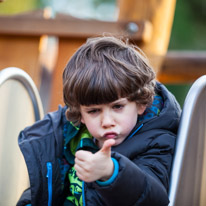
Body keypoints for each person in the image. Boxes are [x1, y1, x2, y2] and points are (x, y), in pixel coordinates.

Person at [17, 36, 181, 206]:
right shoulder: (66, 136)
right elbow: (41, 188)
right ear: (79, 113)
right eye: (94, 111)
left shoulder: (157, 141)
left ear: (141, 103)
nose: (107, 121)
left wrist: (111, 172)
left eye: (117, 107)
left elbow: (154, 198)